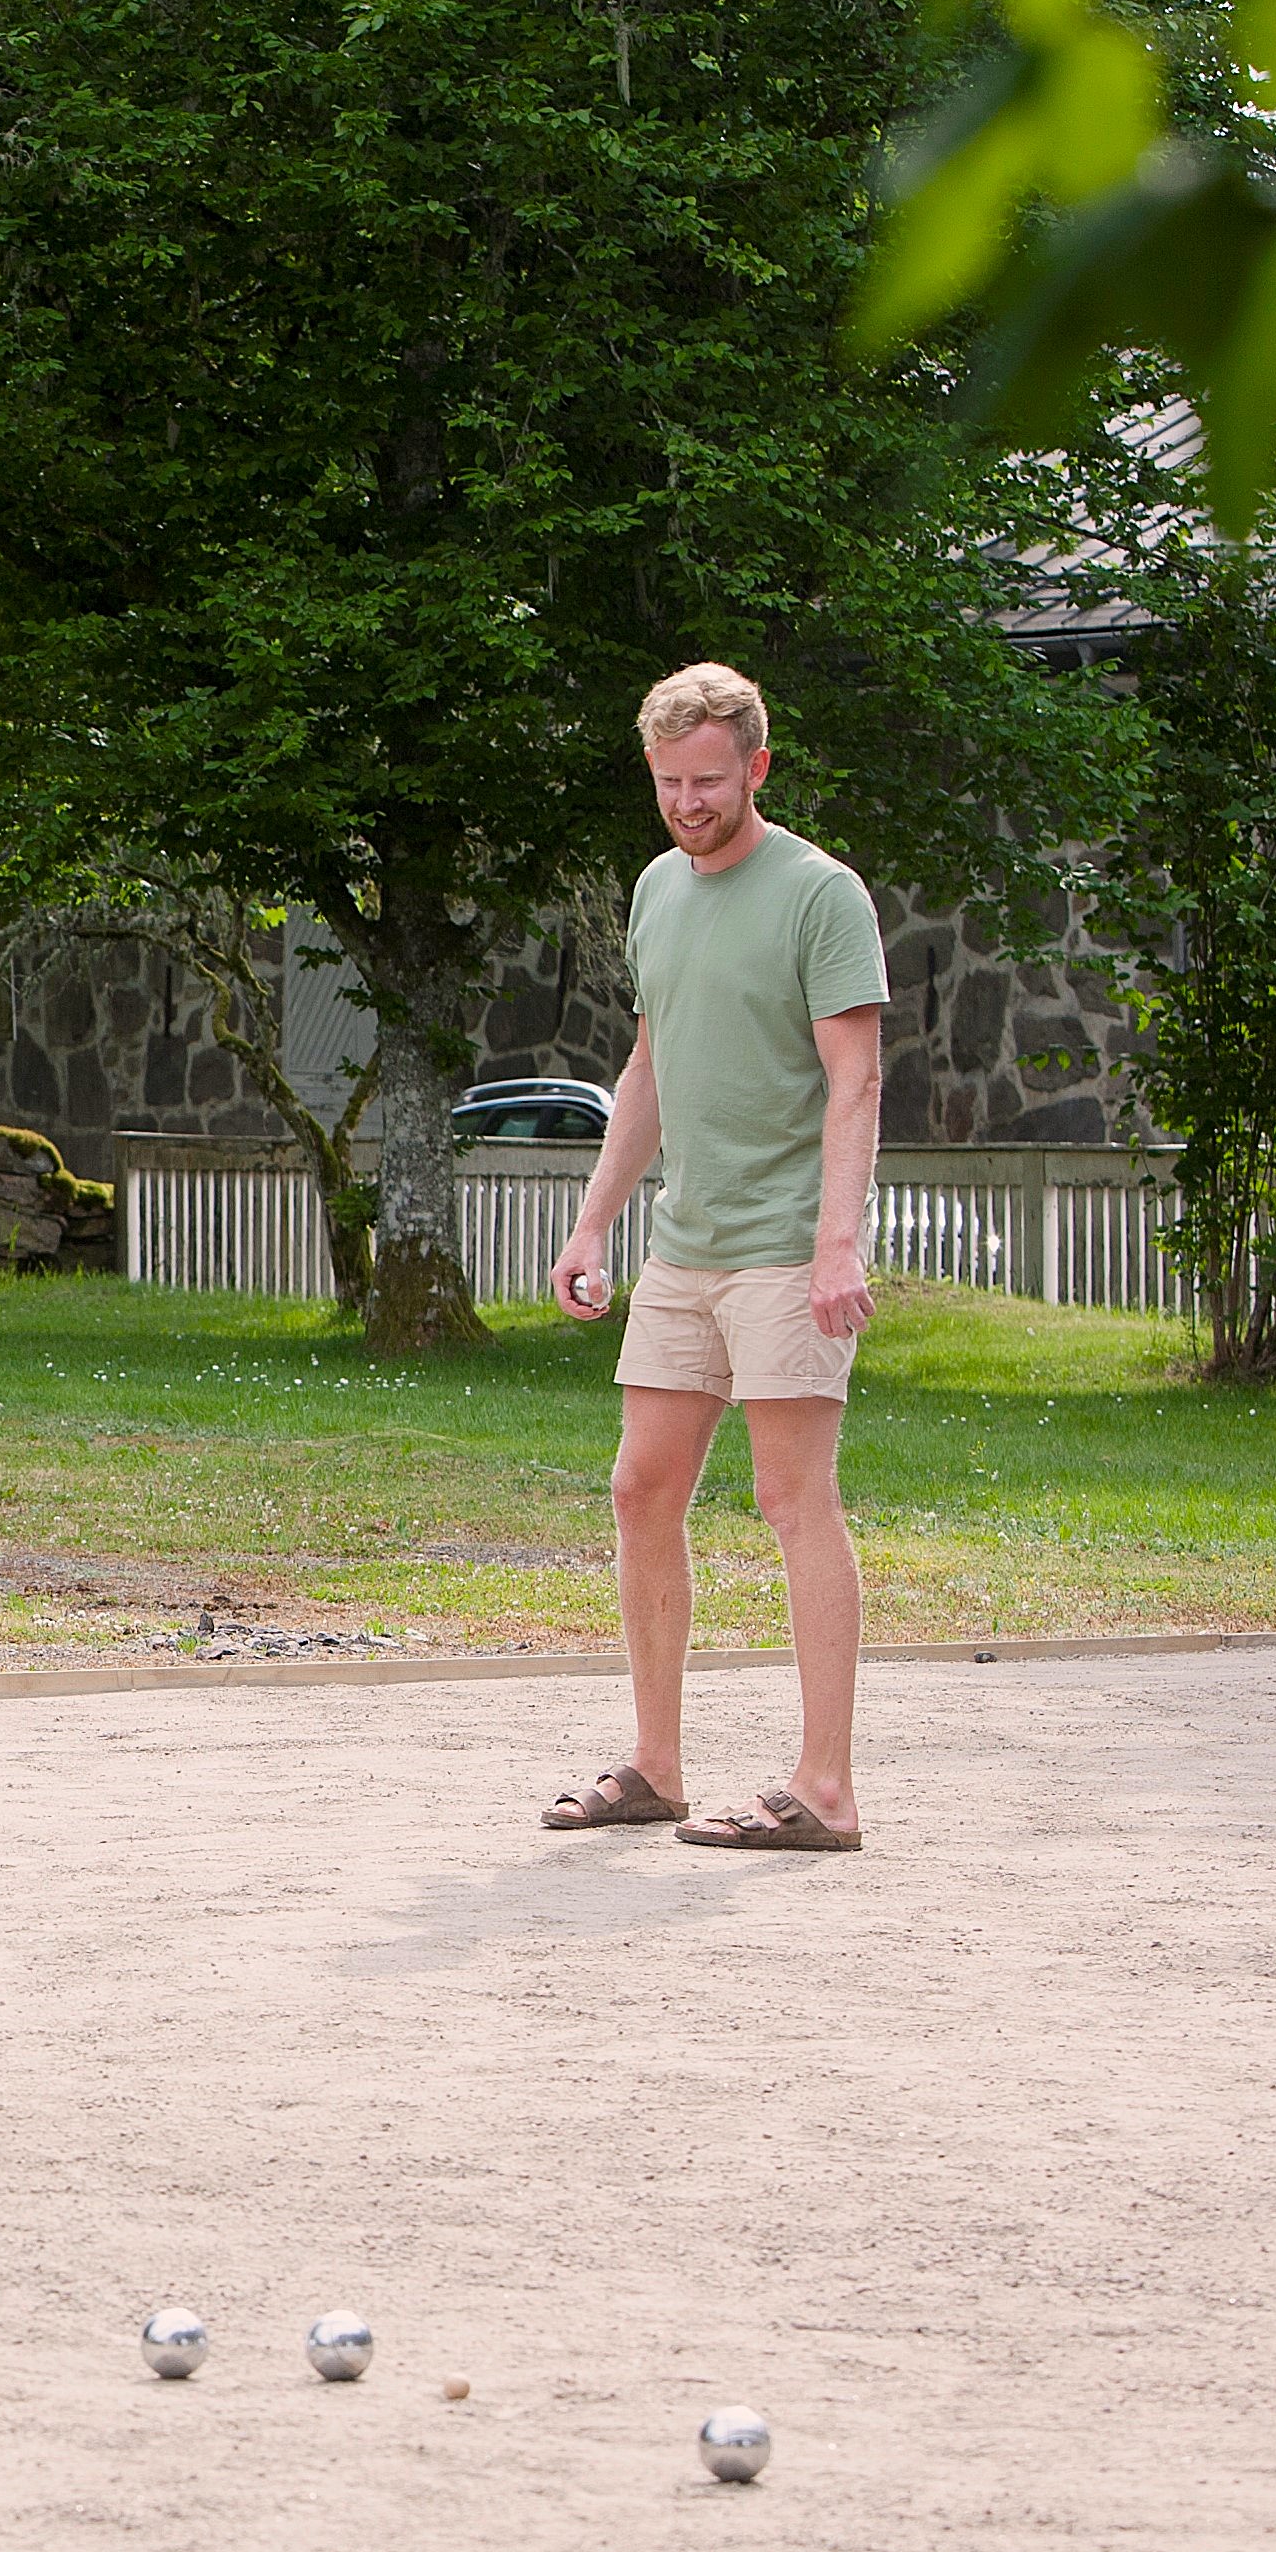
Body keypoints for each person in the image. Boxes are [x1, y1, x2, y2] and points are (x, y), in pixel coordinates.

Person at [546, 662, 887, 1852]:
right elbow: (651, 1065)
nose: (688, 803)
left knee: (794, 1497)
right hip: (685, 1245)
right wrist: (595, 1220)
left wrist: (836, 1243)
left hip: (786, 1248)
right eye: (668, 784)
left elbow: (857, 1076)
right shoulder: (657, 889)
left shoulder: (819, 894)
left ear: (758, 764)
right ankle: (655, 1764)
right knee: (642, 1487)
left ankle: (826, 1788)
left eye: (708, 780)